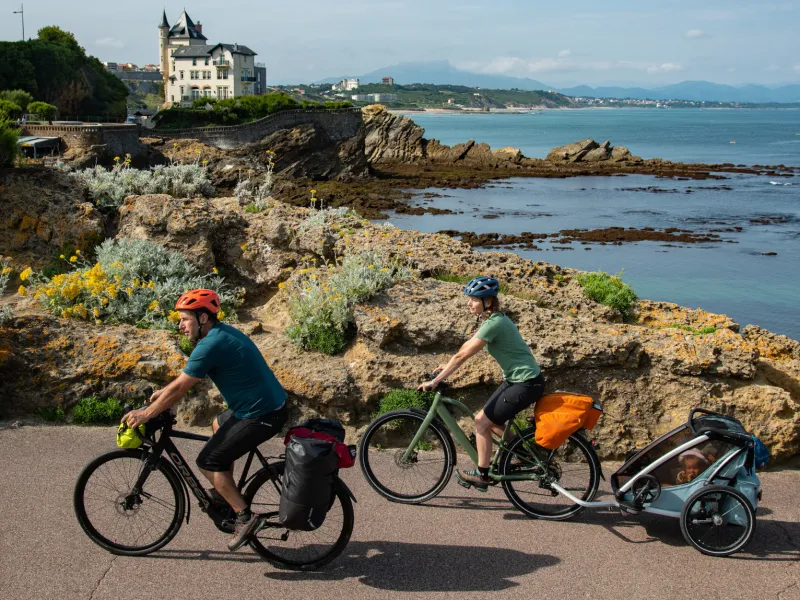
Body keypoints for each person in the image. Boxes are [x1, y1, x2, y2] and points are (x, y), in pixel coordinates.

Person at [121, 289, 288, 551]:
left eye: (185, 319)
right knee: (217, 425)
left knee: (208, 461)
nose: (180, 326)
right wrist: (162, 395)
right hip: (260, 406)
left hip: (261, 414)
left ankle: (246, 517)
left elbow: (182, 388)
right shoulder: (220, 334)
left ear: (202, 318)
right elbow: (180, 380)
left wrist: (147, 413)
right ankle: (224, 493)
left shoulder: (211, 344)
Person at [418, 276, 545, 490]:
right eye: (469, 299)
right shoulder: (491, 320)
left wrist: (436, 381)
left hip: (526, 383)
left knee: (482, 422)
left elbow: (463, 356)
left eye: (474, 299)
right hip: (517, 380)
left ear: (488, 301)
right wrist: (445, 366)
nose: (469, 303)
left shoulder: (495, 323)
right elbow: (464, 348)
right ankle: (520, 454)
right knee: (486, 422)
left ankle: (483, 475)